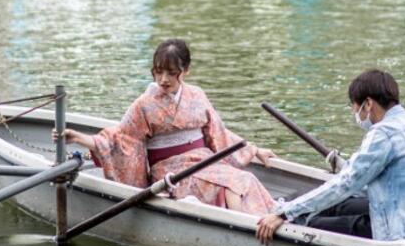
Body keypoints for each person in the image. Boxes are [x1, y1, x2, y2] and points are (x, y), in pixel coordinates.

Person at [56, 39, 278, 215]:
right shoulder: (144, 104)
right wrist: (80, 138)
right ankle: (245, 231)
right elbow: (121, 139)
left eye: (172, 73)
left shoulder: (197, 95)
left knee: (246, 179)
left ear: (186, 70)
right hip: (172, 173)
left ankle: (265, 221)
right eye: (159, 71)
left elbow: (217, 133)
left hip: (204, 162)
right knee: (231, 185)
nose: (163, 79)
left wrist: (255, 150)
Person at [256, 70, 405, 244]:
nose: (354, 113)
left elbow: (345, 184)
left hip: (397, 233)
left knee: (312, 223)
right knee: (339, 205)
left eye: (355, 106)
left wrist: (284, 213)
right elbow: (365, 182)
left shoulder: (383, 134)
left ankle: (280, 214)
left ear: (368, 104)